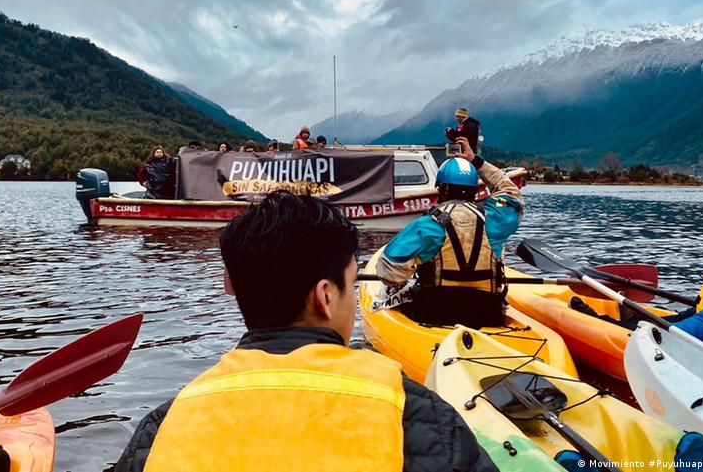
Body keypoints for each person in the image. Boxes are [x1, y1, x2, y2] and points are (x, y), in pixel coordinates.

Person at [114, 191, 498, 472]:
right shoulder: (419, 413)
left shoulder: (161, 426)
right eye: (352, 282)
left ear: (235, 287)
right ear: (326, 297)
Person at [572, 210, 703, 349]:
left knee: (655, 326)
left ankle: (603, 322)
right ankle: (635, 318)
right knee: (677, 316)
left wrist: (662, 336)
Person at [376, 137, 523, 328]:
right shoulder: (496, 219)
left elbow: (389, 272)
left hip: (436, 314)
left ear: (442, 189)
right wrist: (476, 161)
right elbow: (509, 190)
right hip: (487, 312)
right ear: (473, 189)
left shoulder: (427, 225)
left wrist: (413, 270)